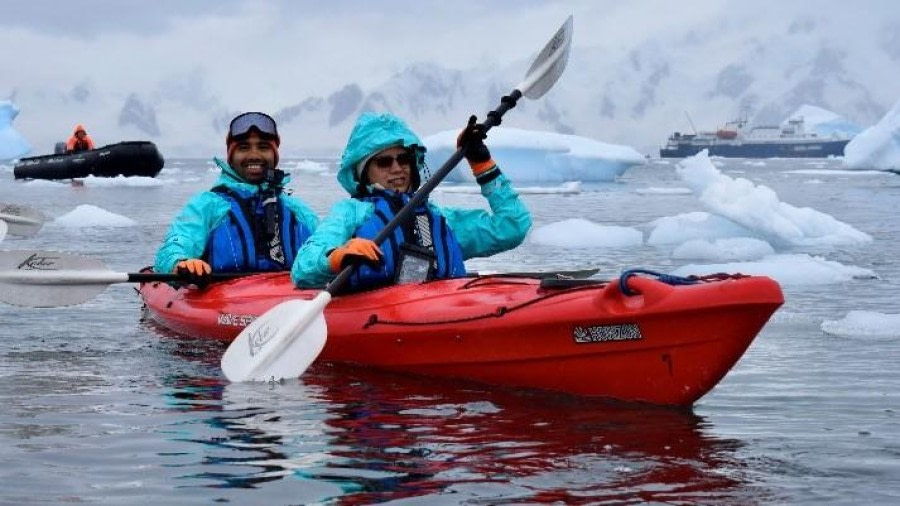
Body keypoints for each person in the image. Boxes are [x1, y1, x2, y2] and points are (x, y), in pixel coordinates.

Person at [291, 112, 531, 291]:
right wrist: (337, 256)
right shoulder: (351, 213)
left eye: (404, 159)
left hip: (443, 313)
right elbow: (303, 268)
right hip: (373, 321)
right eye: (383, 162)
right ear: (363, 172)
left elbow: (512, 227)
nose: (396, 168)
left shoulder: (440, 217)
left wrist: (482, 164)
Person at [155, 111, 319, 286]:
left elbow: (325, 247)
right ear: (231, 157)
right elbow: (178, 241)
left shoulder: (297, 209)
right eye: (244, 147)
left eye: (263, 147)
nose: (254, 155)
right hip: (223, 300)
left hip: (291, 302)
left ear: (274, 156)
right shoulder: (207, 205)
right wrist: (180, 263)